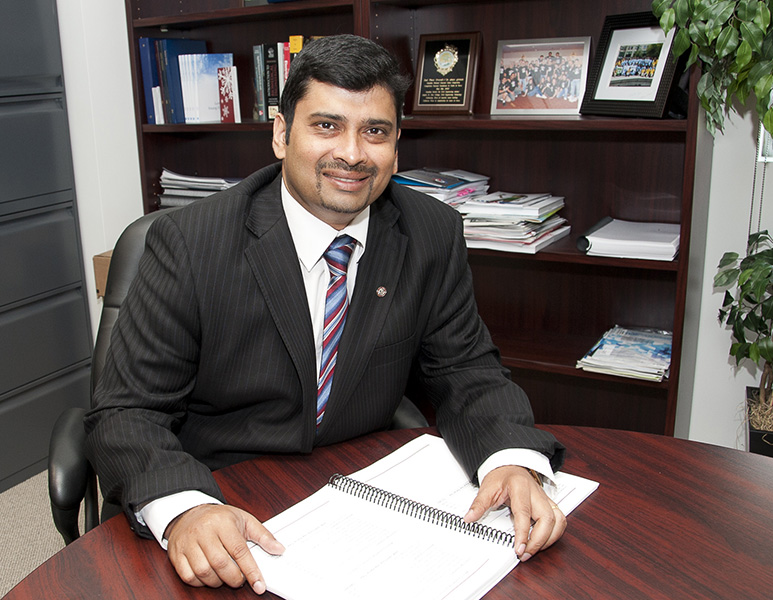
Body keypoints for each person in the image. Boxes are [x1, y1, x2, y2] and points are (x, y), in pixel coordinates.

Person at [85, 33, 566, 595]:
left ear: (396, 144)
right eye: (326, 126)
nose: (354, 154)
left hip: (363, 496)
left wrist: (509, 458)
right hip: (227, 495)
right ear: (281, 135)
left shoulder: (431, 233)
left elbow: (466, 369)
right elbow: (125, 412)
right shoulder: (190, 242)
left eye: (375, 132)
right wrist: (186, 508)